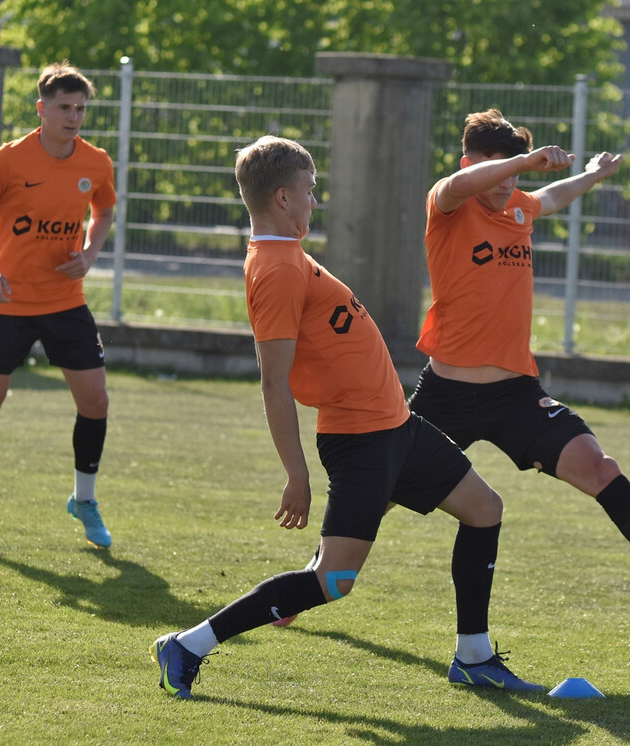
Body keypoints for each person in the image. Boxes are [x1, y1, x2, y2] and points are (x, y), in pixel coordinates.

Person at [149, 135, 541, 699]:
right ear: (282, 198)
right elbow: (273, 381)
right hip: (360, 441)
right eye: (310, 191)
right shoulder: (277, 268)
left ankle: (474, 656)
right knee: (333, 581)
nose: (315, 201)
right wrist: (296, 473)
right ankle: (188, 645)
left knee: (484, 510)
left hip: (397, 428)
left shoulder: (288, 250)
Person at [408, 109, 630, 612]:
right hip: (447, 395)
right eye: (498, 170)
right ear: (469, 163)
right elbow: (463, 184)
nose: (509, 183)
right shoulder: (449, 205)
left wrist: (592, 174)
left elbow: (550, 197)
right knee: (382, 489)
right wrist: (522, 160)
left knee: (599, 468)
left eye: (516, 173)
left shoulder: (518, 208)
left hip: (514, 396)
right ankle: (317, 577)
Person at [0, 62, 116, 550]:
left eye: (80, 108)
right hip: (8, 302)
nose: (73, 116)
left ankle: (84, 499)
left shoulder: (96, 162)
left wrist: (89, 252)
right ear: (41, 109)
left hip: (66, 303)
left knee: (96, 401)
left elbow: (103, 211)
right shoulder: (8, 159)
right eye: (64, 107)